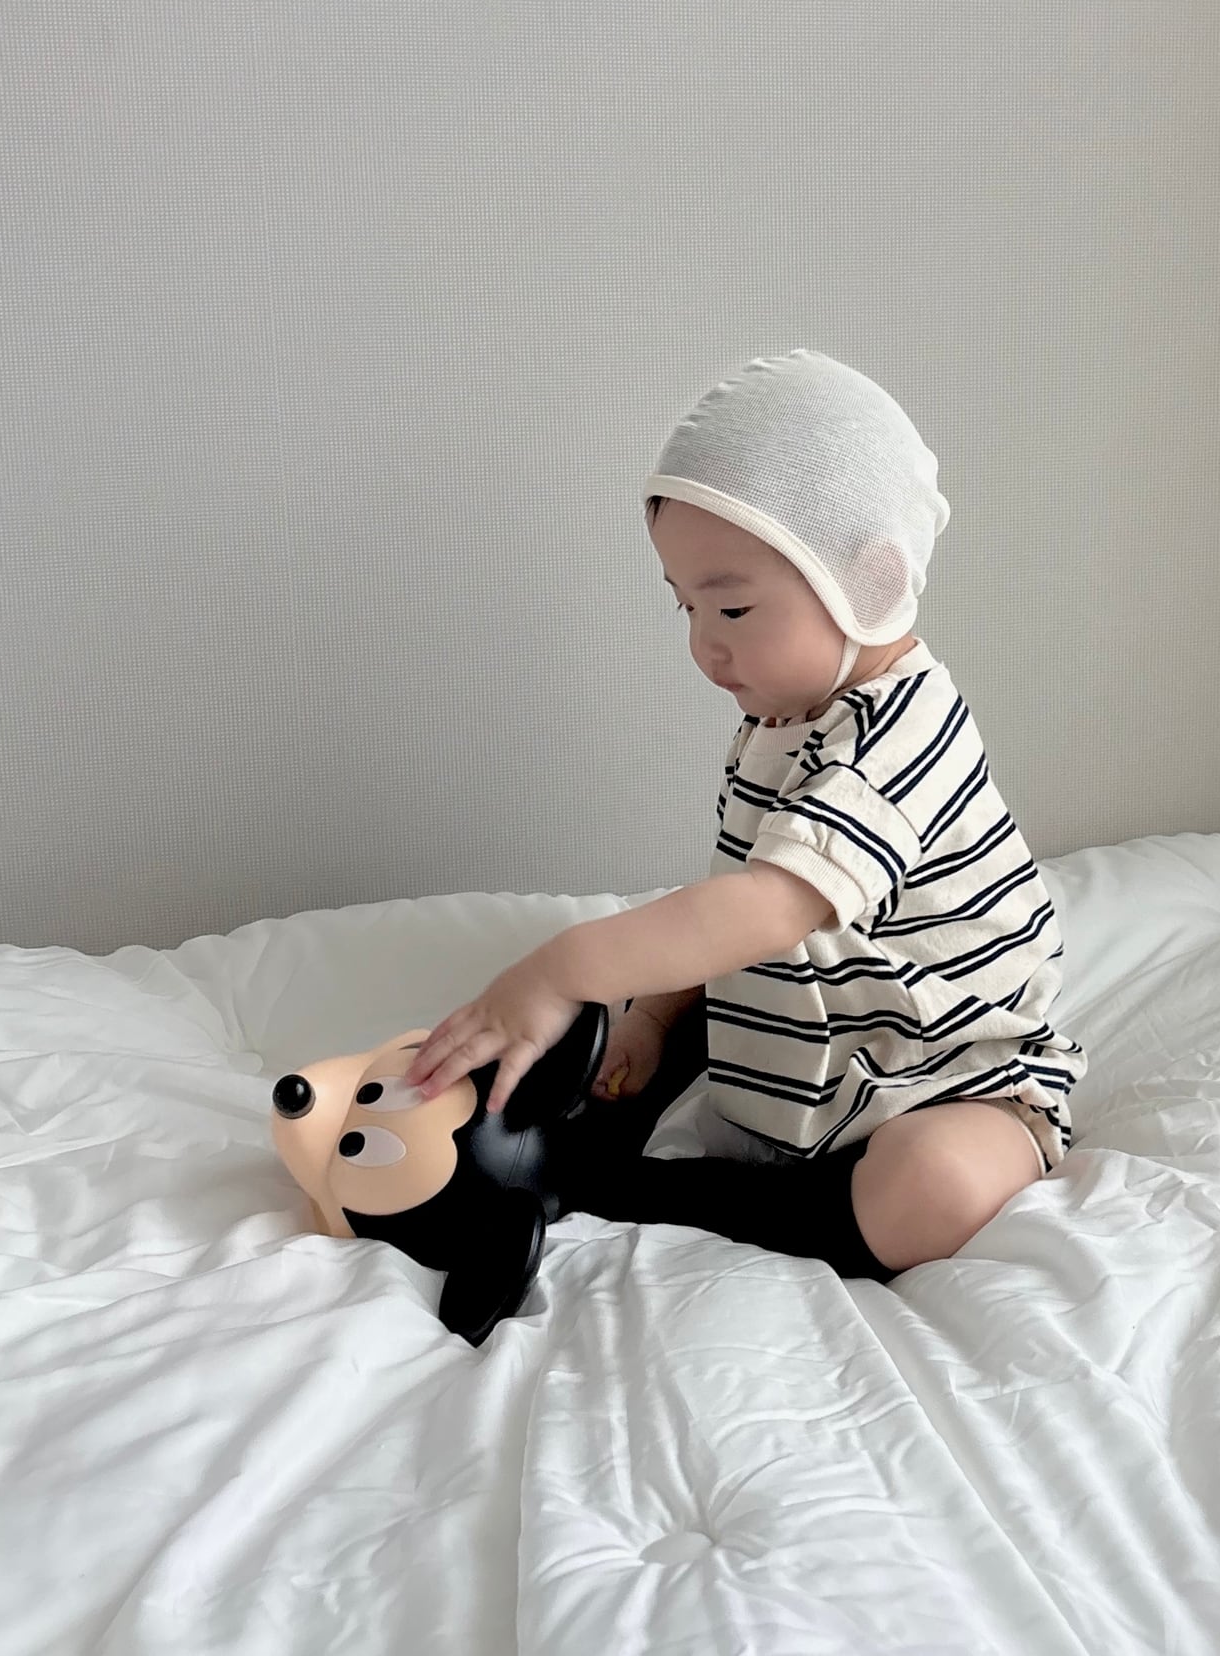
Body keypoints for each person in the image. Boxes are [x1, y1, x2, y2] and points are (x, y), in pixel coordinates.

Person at [406, 348, 1086, 1279]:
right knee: (628, 1031)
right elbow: (732, 906)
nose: (702, 647)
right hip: (816, 1027)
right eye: (684, 607)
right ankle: (549, 1150)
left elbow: (764, 910)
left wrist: (563, 967)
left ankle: (662, 1198)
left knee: (933, 1188)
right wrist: (652, 1020)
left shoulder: (899, 737)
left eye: (730, 611)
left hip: (950, 1073)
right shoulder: (783, 717)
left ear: (867, 583)